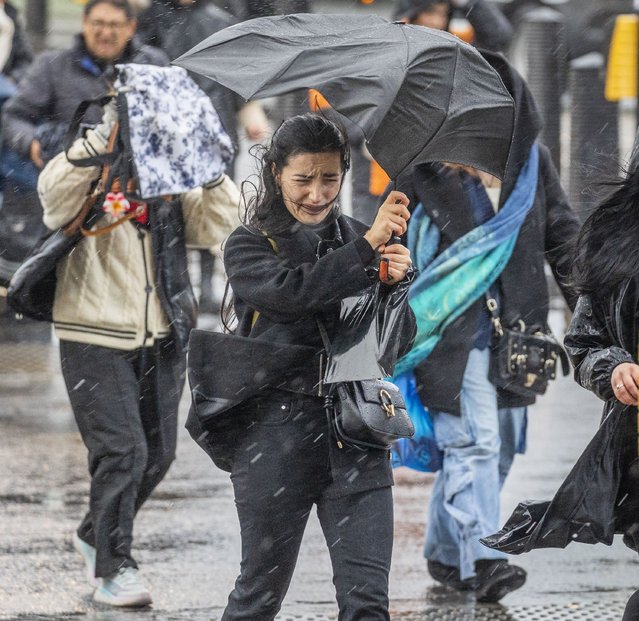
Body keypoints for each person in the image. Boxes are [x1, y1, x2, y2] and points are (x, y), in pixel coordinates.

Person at [202, 113, 415, 620]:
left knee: (367, 604)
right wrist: (364, 253)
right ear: (277, 173)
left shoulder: (367, 239)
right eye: (302, 179)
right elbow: (291, 295)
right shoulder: (250, 243)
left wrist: (393, 286)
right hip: (274, 438)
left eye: (329, 179)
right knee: (258, 595)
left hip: (356, 432)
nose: (317, 194)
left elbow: (394, 346)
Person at [35, 97, 241, 606]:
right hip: (93, 328)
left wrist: (209, 166)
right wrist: (101, 142)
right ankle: (114, 568)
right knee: (122, 451)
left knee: (159, 453)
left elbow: (215, 227)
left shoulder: (170, 168)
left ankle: (93, 534)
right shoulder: (90, 156)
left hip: (163, 329)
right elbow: (53, 201)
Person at [390, 51, 580, 602]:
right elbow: (390, 239)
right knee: (474, 444)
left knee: (495, 452)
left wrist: (594, 316)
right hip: (448, 338)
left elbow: (563, 238)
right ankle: (487, 558)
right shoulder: (422, 168)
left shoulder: (533, 164)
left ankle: (447, 554)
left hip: (515, 339)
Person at [137, 0, 268, 315]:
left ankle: (206, 284)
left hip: (214, 129)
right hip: (170, 131)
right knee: (170, 211)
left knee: (213, 206)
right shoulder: (153, 18)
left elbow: (235, 74)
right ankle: (176, 281)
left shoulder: (220, 21)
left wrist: (251, 112)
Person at [391, 0, 513, 52]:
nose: (437, 22)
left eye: (442, 15)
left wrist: (468, 3)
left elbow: (498, 38)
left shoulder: (453, 52)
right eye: (429, 13)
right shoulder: (395, 49)